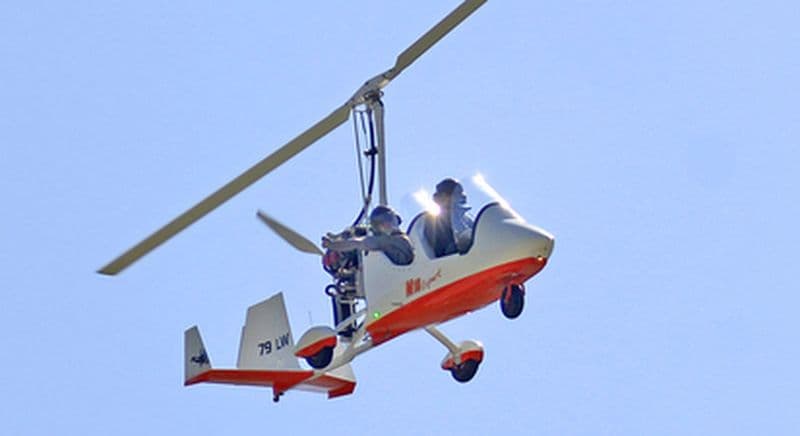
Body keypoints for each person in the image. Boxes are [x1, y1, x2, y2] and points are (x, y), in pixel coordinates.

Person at [322, 205, 414, 266]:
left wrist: (332, 245)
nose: (389, 224)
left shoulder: (395, 240)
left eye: (391, 220)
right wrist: (334, 245)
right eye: (384, 222)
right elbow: (356, 243)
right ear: (378, 228)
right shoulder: (384, 241)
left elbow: (355, 243)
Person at [424, 178, 475, 257]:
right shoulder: (433, 222)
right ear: (443, 197)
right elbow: (443, 249)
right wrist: (463, 241)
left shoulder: (467, 219)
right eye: (457, 193)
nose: (462, 197)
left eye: (462, 193)